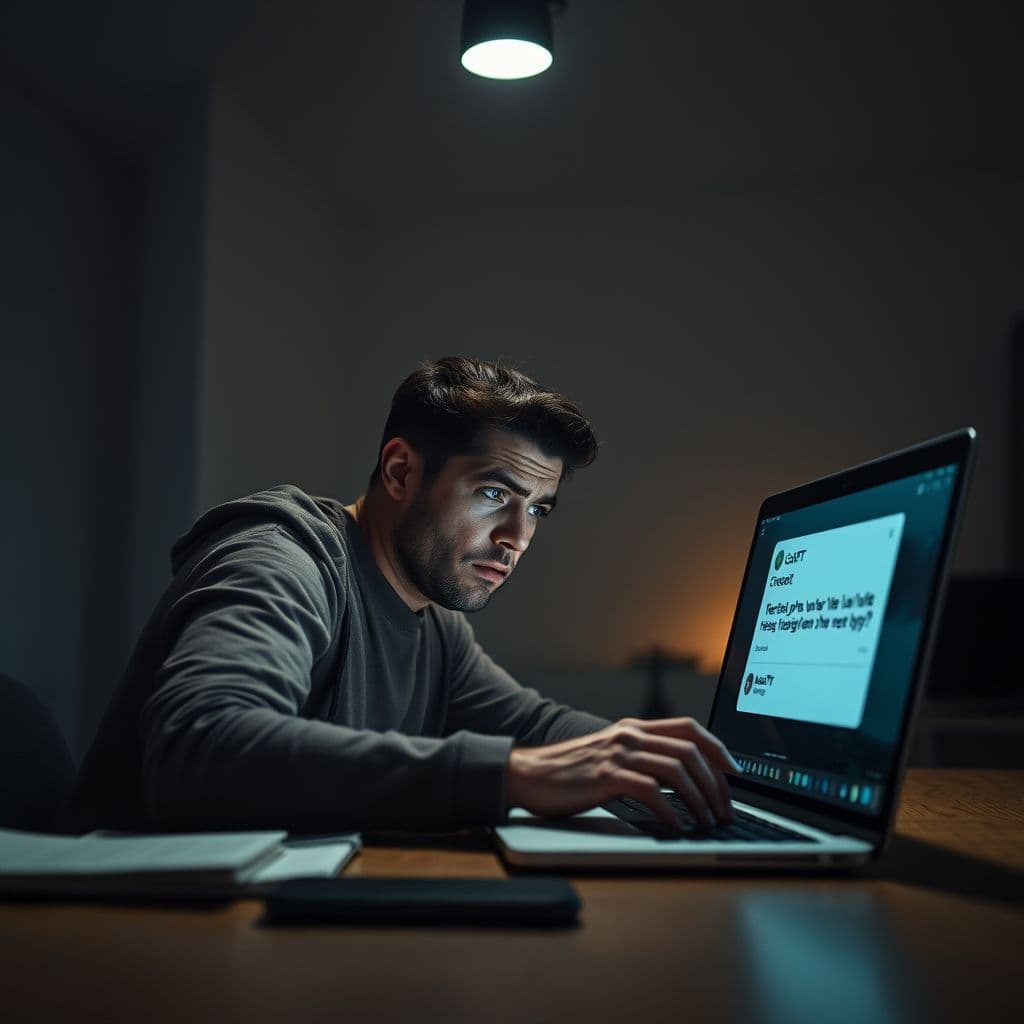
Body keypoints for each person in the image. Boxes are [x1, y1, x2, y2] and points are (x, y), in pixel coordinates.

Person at [66, 357, 738, 834]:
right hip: (112, 938)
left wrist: (684, 773)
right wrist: (510, 775)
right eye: (495, 494)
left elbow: (537, 729)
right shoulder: (285, 558)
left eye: (538, 509)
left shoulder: (433, 624)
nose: (517, 537)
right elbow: (200, 746)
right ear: (399, 471)